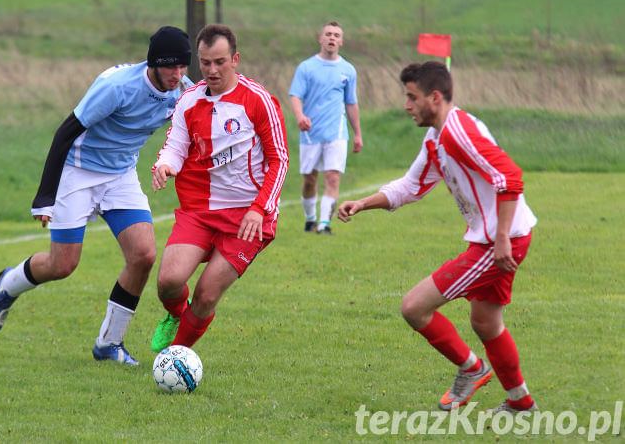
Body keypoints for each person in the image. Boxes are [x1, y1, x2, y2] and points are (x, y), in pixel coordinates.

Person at [0, 26, 193, 366]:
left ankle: (109, 344)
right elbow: (65, 133)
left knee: (143, 255)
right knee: (62, 265)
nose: (178, 74)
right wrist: (45, 197)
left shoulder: (182, 91)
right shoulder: (117, 87)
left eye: (183, 67)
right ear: (153, 64)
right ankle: (9, 283)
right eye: (171, 67)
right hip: (78, 172)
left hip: (121, 175)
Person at [337, 61, 538, 414]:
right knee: (486, 322)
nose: (406, 105)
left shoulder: (458, 132)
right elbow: (411, 187)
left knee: (414, 307)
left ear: (434, 97)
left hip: (497, 244)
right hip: (496, 239)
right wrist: (363, 203)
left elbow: (510, 177)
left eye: (412, 98)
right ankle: (520, 401)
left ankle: (472, 369)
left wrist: (503, 237)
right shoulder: (436, 138)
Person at [149, 23, 289, 352]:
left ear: (235, 59)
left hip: (246, 215)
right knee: (168, 282)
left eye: (220, 62)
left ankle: (176, 356)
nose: (212, 70)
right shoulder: (188, 100)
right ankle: (176, 316)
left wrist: (259, 209)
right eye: (205, 62)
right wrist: (164, 165)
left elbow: (279, 160)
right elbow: (175, 145)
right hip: (198, 210)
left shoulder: (259, 101)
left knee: (207, 294)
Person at [289, 21, 363, 235]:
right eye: (328, 34)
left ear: (341, 41)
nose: (332, 38)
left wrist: (357, 133)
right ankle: (310, 219)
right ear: (320, 39)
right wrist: (300, 116)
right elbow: (295, 95)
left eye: (336, 35)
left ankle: (324, 225)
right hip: (311, 134)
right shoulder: (306, 67)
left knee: (332, 177)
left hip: (337, 133)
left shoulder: (348, 70)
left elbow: (351, 103)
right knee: (309, 179)